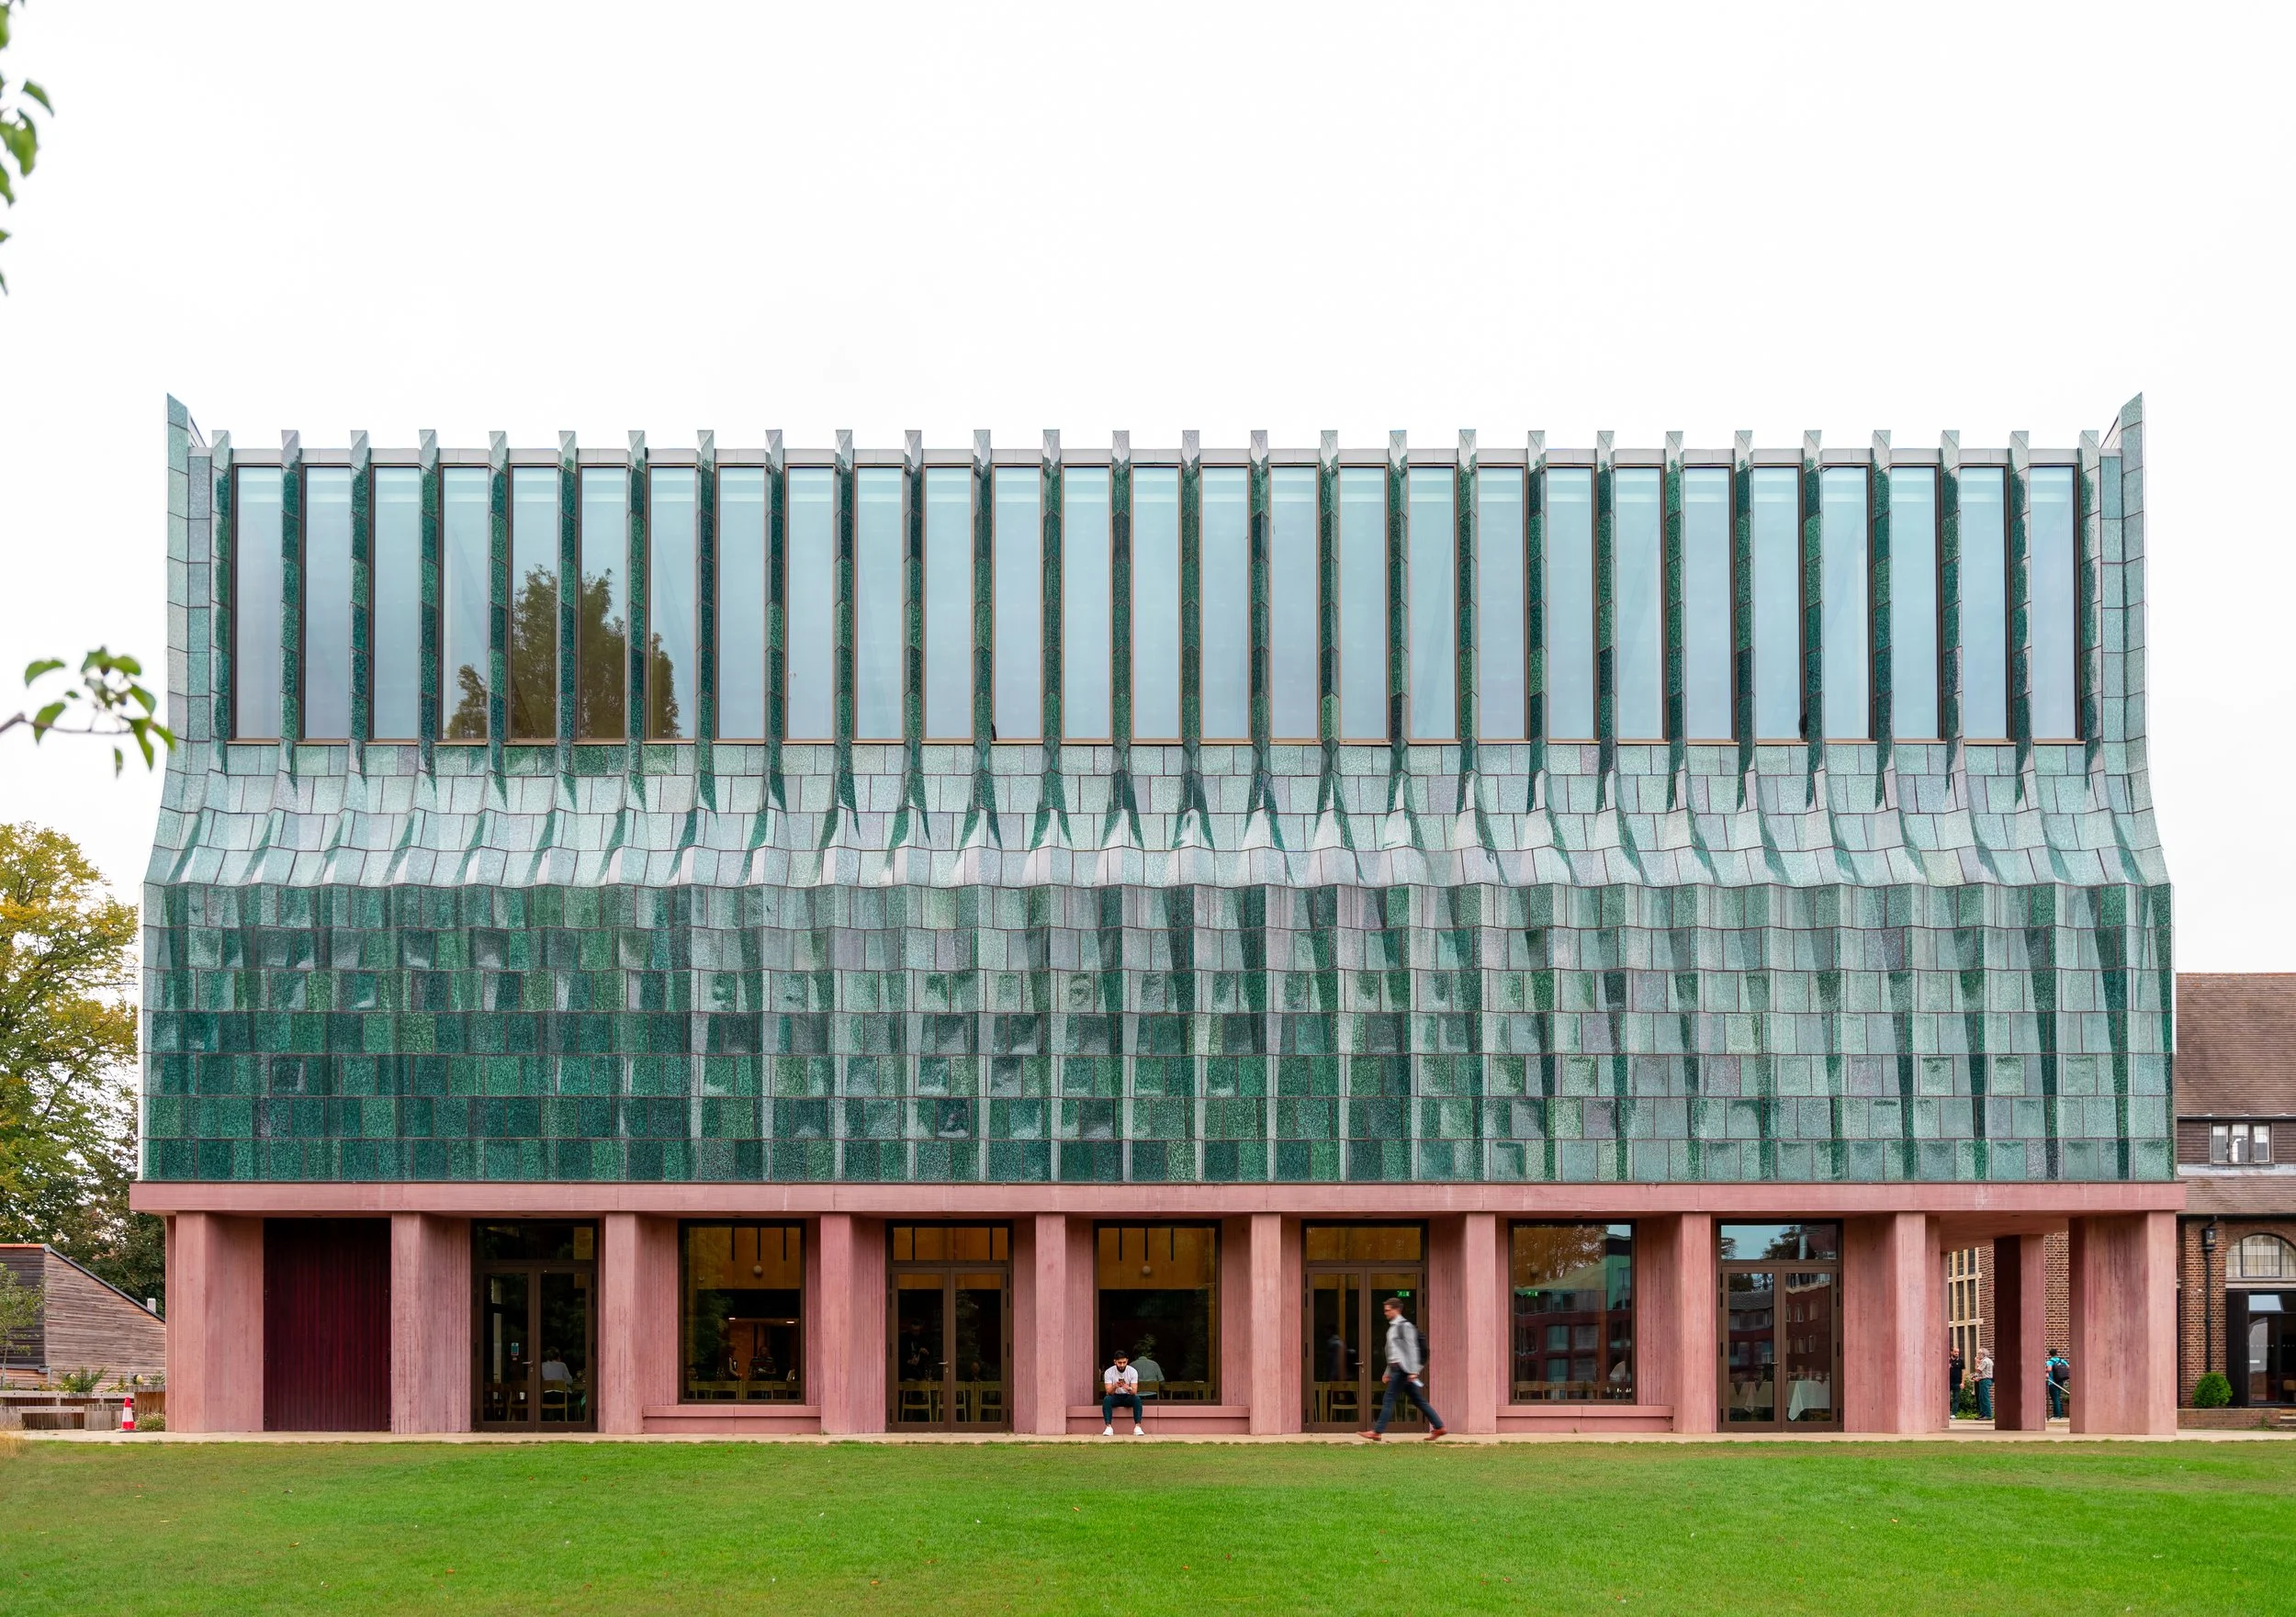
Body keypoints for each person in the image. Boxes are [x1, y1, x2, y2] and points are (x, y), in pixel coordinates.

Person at [1360, 1297, 1445, 1441]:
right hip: (1398, 1369)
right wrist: (1388, 1372)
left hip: (1402, 1370)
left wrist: (1413, 1371)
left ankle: (1377, 1431)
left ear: (1396, 1310)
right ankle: (1439, 1427)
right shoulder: (1393, 1328)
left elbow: (1411, 1349)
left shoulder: (1405, 1326)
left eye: (1388, 1310)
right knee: (1418, 1400)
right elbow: (1393, 1353)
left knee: (1388, 1398)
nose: (1385, 1313)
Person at [1101, 1352, 1143, 1436]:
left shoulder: (1133, 1371)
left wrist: (1128, 1388)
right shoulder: (1109, 1372)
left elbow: (1134, 1392)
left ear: (1127, 1361)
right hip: (1115, 1396)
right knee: (1106, 1399)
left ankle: (1137, 1427)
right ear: (1115, 1361)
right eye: (1120, 1362)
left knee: (1137, 1399)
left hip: (1128, 1396)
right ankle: (1108, 1427)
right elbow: (1108, 1392)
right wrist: (1115, 1387)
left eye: (1124, 1362)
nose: (1122, 1365)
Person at [2045, 1351, 2070, 1419]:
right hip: (2060, 1381)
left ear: (2050, 1354)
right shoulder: (2061, 1360)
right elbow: (2068, 1367)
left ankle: (2057, 1415)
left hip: (2052, 1382)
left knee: (2055, 1399)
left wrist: (2045, 1371)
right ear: (2056, 1353)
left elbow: (2049, 1369)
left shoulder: (2050, 1361)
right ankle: (2057, 1414)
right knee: (2058, 1397)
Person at [1975, 1348, 1995, 1420]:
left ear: (1983, 1354)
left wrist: (1976, 1362)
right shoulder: (1989, 1360)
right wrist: (1979, 1378)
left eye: (1979, 1353)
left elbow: (1978, 1370)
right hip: (1985, 1380)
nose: (1978, 1355)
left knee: (1984, 1398)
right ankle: (1983, 1414)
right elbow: (1985, 1372)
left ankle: (1988, 1415)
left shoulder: (1985, 1361)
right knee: (1981, 1398)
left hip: (1985, 1381)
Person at [1948, 1344, 1964, 1417]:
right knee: (1946, 1398)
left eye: (1958, 1352)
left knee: (1956, 1398)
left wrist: (1962, 1382)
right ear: (1951, 1352)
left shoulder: (1961, 1361)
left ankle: (1953, 1414)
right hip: (1948, 1383)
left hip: (1957, 1382)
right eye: (1955, 1352)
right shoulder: (1948, 1360)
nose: (1957, 1353)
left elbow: (1963, 1372)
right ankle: (1946, 1413)